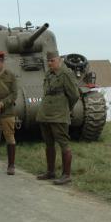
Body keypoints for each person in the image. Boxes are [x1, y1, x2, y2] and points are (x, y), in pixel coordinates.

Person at [36, 52, 80, 185]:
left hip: (59, 115)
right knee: (48, 143)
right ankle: (50, 171)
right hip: (45, 113)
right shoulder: (49, 74)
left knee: (63, 144)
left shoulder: (66, 74)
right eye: (48, 61)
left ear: (59, 60)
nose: (50, 63)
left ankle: (66, 175)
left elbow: (74, 95)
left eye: (52, 60)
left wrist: (66, 108)